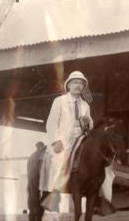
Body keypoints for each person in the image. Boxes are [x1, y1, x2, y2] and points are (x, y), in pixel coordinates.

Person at [40, 70, 94, 211]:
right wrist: (56, 140)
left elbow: (91, 125)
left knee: (101, 167)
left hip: (81, 141)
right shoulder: (60, 101)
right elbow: (51, 123)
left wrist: (88, 122)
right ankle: (51, 197)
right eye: (75, 82)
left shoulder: (85, 106)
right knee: (59, 162)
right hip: (63, 142)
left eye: (81, 83)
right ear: (69, 85)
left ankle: (99, 198)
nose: (78, 86)